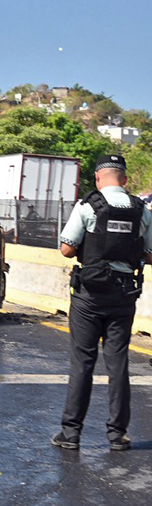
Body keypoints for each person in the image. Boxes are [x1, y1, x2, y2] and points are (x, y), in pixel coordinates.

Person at [52, 154, 152, 452]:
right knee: (118, 361)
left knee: (82, 362)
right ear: (124, 178)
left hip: (89, 296)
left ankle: (71, 434)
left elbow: (67, 250)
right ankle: (117, 435)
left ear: (98, 178)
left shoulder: (87, 206)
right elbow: (150, 255)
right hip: (123, 296)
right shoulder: (142, 211)